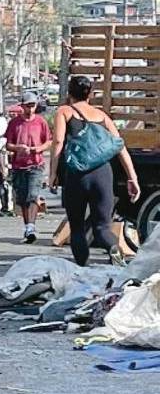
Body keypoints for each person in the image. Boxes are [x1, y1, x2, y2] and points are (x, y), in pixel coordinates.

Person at [48, 75, 140, 266]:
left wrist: (52, 174)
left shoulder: (64, 112)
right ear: (90, 93)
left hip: (77, 175)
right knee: (102, 228)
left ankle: (82, 268)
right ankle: (114, 248)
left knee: (78, 227)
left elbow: (57, 142)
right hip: (103, 174)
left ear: (69, 93)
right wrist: (133, 178)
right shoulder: (102, 116)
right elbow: (119, 147)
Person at [4, 91, 51, 243]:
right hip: (19, 166)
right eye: (27, 106)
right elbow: (8, 144)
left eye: (33, 106)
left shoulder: (41, 122)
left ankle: (31, 226)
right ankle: (27, 226)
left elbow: (48, 141)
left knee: (33, 195)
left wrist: (38, 149)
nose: (30, 109)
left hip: (35, 165)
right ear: (22, 106)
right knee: (23, 198)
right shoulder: (14, 123)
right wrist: (18, 148)